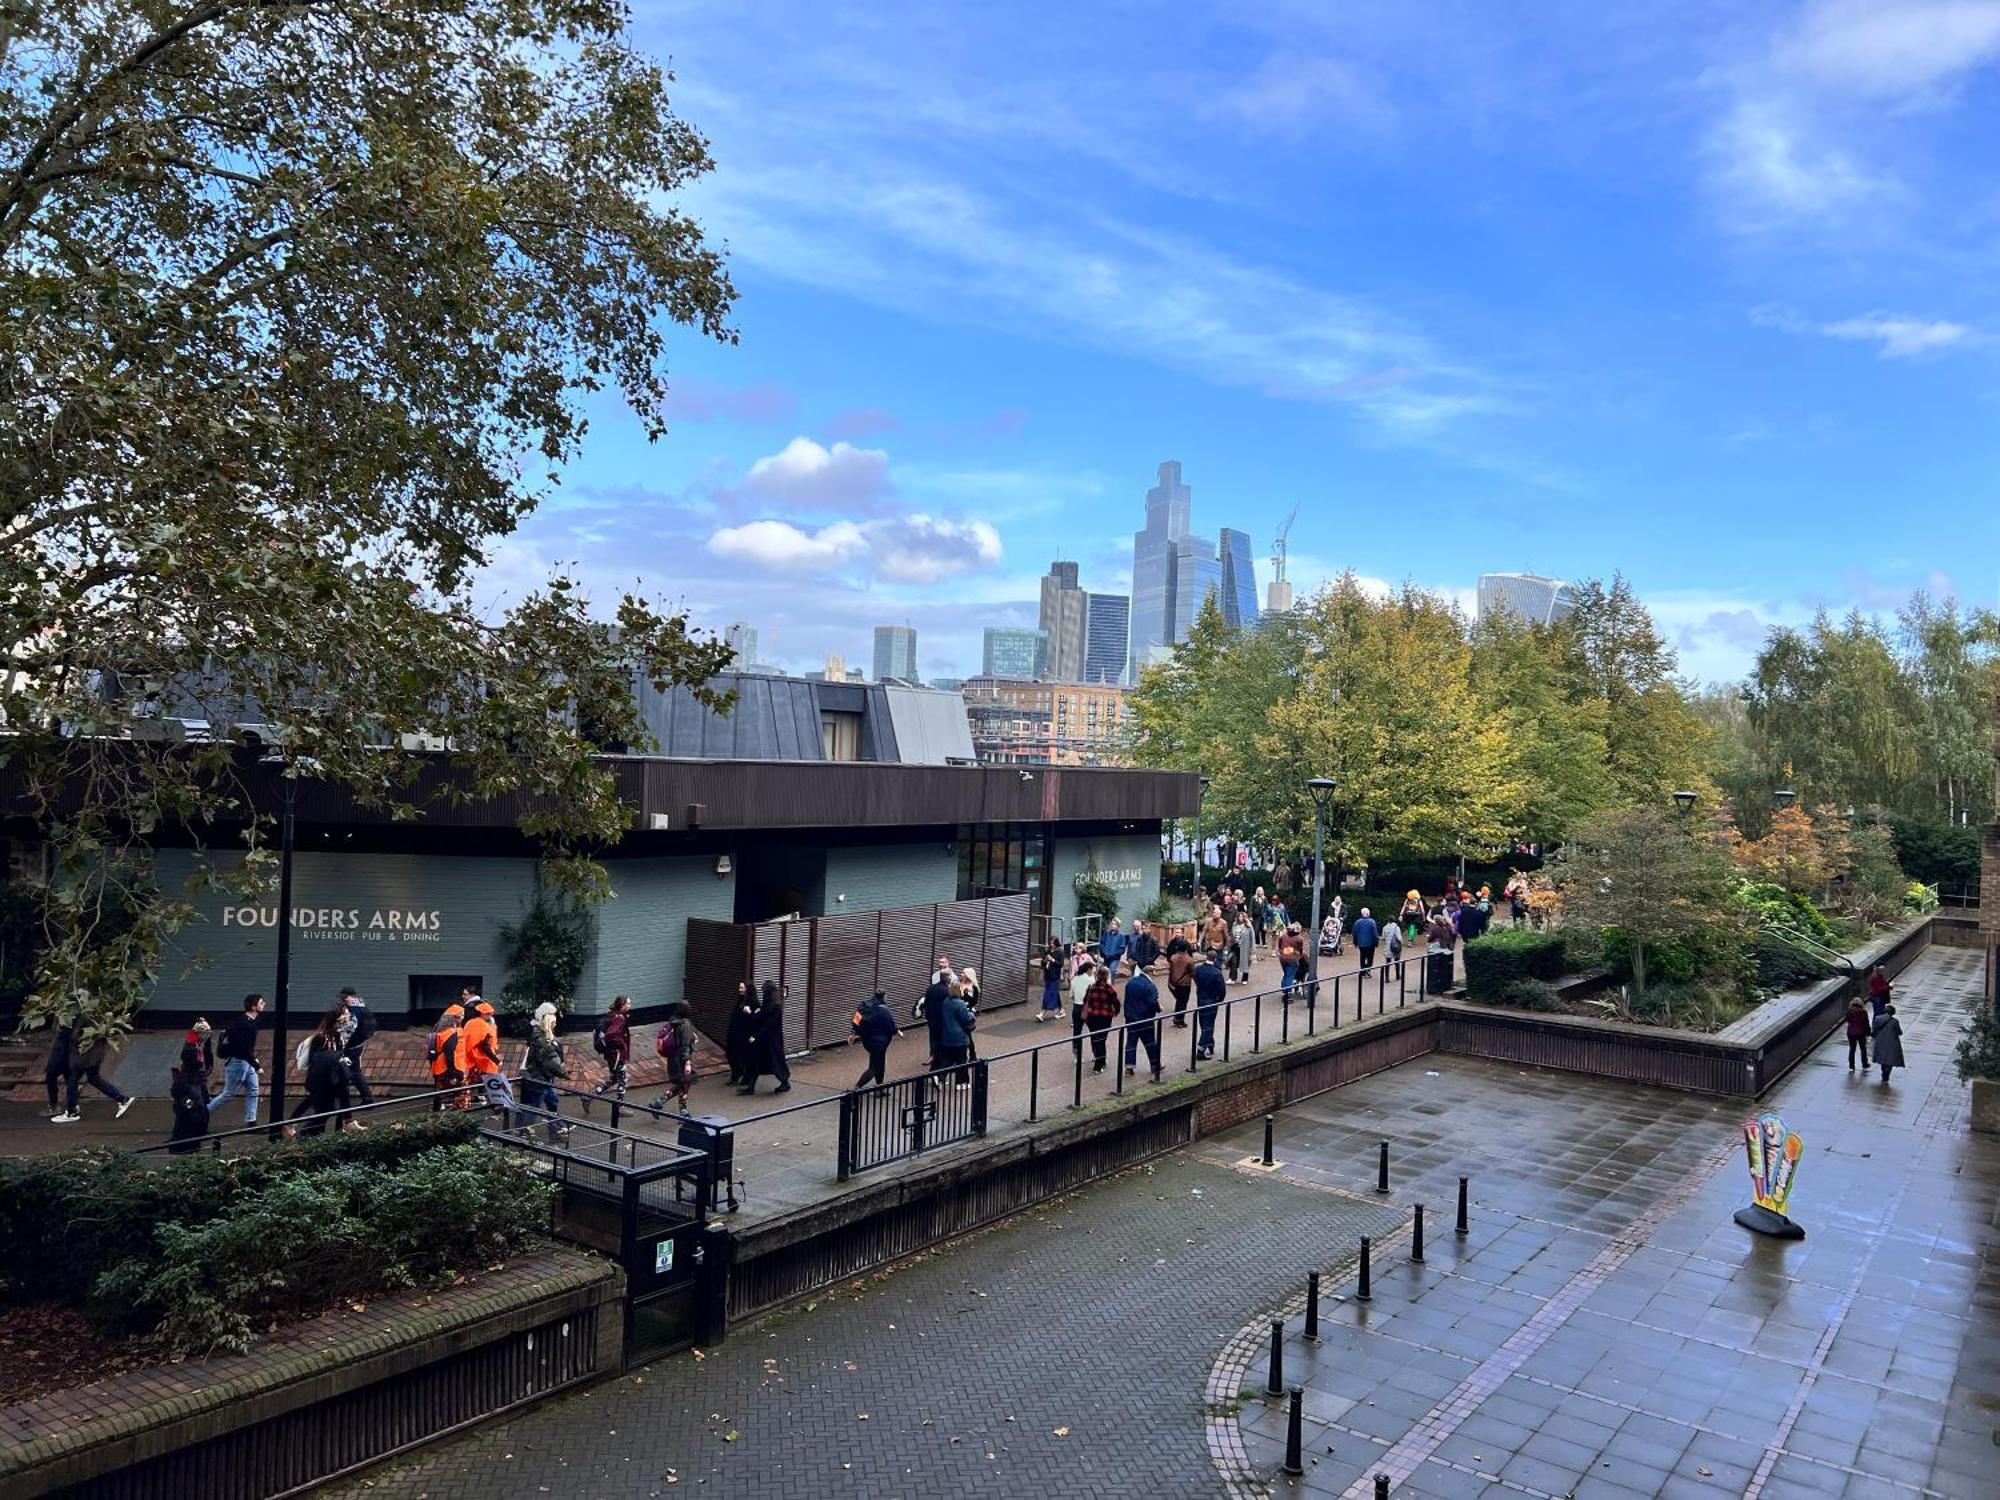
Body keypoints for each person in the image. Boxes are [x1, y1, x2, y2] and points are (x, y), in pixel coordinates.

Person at [52, 1028, 134, 1124]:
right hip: (95, 1053)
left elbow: (75, 1034)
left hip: (83, 1054)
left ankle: (71, 1112)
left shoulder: (82, 1019)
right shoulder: (98, 1021)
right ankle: (122, 1099)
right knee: (93, 1078)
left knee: (73, 1080)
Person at [208, 992, 266, 1126]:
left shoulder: (247, 1022)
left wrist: (253, 1061)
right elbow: (243, 1048)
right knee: (228, 1093)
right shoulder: (245, 1025)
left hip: (245, 1061)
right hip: (238, 1062)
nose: (264, 1004)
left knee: (253, 1089)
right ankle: (202, 1112)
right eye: (261, 1002)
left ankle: (251, 1122)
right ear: (253, 1007)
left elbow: (246, 1048)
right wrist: (257, 1066)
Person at [297, 1004, 354, 1136]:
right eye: (346, 1014)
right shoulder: (320, 1038)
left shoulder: (339, 1036)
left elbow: (339, 1054)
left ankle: (342, 1129)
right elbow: (314, 1060)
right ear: (338, 1018)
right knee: (324, 1111)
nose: (348, 1016)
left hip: (333, 1077)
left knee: (342, 1103)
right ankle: (307, 1132)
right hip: (321, 1080)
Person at [521, 1001, 569, 1139]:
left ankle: (555, 1128)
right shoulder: (540, 1038)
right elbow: (549, 1059)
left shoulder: (538, 1035)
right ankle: (527, 1131)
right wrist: (563, 1073)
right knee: (536, 1104)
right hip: (539, 1077)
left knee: (551, 1101)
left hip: (542, 1077)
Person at [461, 997, 516, 1115]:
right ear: (483, 1014)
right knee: (491, 1081)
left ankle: (463, 1105)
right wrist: (496, 1059)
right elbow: (484, 1046)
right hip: (483, 1061)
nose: (490, 1016)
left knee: (467, 1083)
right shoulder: (484, 1026)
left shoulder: (470, 1023)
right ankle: (497, 1104)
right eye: (488, 1014)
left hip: (470, 1059)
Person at [337, 986, 377, 1106]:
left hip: (350, 1045)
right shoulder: (363, 1007)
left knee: (353, 1072)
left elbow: (346, 1031)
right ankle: (366, 1097)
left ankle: (367, 1098)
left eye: (344, 998)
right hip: (359, 1043)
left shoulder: (351, 1011)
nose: (342, 1000)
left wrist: (341, 1043)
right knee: (354, 1070)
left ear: (350, 997)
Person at [1122, 964, 1163, 1081]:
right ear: (1151, 972)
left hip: (1130, 1016)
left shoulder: (1131, 982)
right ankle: (1155, 1064)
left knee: (1131, 1041)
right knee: (1150, 1041)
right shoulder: (1150, 986)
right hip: (1145, 1018)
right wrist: (1158, 1009)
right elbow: (1152, 1002)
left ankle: (1129, 1067)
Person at [851, 990, 899, 1087]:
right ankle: (856, 1088)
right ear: (884, 997)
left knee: (880, 1063)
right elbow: (891, 1027)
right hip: (879, 1043)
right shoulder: (884, 1010)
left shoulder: (865, 1006)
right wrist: (897, 1031)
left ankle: (879, 1087)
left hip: (867, 1040)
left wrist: (854, 1034)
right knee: (874, 1067)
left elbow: (856, 1020)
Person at [936, 979, 978, 1088]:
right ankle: (961, 1082)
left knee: (950, 1058)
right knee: (961, 1059)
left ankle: (940, 1075)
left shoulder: (946, 1001)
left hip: (947, 1035)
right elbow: (966, 1018)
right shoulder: (959, 1003)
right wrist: (972, 1014)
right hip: (959, 1036)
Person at [657, 1002, 698, 1115]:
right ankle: (683, 1112)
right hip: (681, 1059)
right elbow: (684, 1045)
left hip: (672, 1058)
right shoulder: (685, 1024)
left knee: (681, 1084)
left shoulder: (673, 1022)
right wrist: (687, 1062)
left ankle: (659, 1102)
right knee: (685, 1083)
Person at [751, 982, 791, 1094]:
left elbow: (768, 1024)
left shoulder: (774, 1006)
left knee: (775, 1061)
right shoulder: (770, 1003)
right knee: (760, 1062)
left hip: (772, 1041)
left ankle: (784, 1082)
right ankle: (751, 1086)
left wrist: (755, 1036)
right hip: (767, 1040)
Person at [593, 993, 632, 1104]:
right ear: (622, 1005)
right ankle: (619, 1106)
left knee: (615, 1078)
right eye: (628, 1003)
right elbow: (611, 1035)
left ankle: (591, 1096)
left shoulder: (611, 1014)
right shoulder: (619, 1018)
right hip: (617, 1054)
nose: (630, 1005)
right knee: (623, 1079)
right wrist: (622, 1045)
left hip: (610, 1054)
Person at [1081, 965, 1120, 1073]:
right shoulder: (1110, 989)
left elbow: (1085, 1000)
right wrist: (1115, 1012)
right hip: (1105, 1017)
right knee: (1102, 1039)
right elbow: (1116, 1003)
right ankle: (1099, 1064)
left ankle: (1097, 1055)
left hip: (1092, 1016)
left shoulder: (1092, 987)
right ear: (1107, 976)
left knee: (1094, 1037)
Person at [428, 1000, 465, 1109]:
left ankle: (437, 1109)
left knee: (440, 1091)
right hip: (447, 1068)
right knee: (449, 1095)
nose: (463, 1017)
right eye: (461, 1015)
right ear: (455, 1018)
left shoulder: (438, 1030)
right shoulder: (451, 1033)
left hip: (437, 1066)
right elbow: (449, 1054)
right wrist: (454, 1073)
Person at [1193, 948, 1226, 1059]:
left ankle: (1210, 1043)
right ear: (1215, 959)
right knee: (1209, 1025)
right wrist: (1219, 1000)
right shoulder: (1217, 973)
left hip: (1201, 999)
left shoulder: (1198, 969)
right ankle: (1201, 1049)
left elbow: (1196, 979)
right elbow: (1222, 990)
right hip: (1212, 1001)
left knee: (1203, 1023)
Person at [725, 981, 759, 1086]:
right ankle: (737, 1072)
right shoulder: (740, 999)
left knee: (740, 1055)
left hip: (744, 1034)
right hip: (734, 1032)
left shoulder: (753, 1001)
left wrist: (749, 1013)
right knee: (731, 1053)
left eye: (742, 988)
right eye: (739, 987)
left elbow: (757, 1019)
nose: (740, 990)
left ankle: (740, 1075)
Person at [1069, 952, 1095, 1059]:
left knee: (1077, 1032)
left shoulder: (1074, 979)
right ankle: (1095, 1053)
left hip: (1076, 1007)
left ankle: (1077, 1055)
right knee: (1093, 1031)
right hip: (1087, 1008)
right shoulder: (1091, 981)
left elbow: (1071, 995)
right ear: (1088, 970)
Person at [1872, 1002, 1905, 1084]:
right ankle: (1886, 1075)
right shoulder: (1895, 1021)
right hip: (1892, 1042)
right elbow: (1899, 1032)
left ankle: (1884, 1073)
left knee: (1882, 1057)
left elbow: (1874, 1029)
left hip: (1880, 1041)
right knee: (1889, 1059)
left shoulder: (1877, 1018)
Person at [1166, 938, 1196, 1028]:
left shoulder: (1173, 958)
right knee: (1183, 1002)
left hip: (1174, 983)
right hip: (1185, 984)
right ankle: (1180, 1020)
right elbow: (1192, 972)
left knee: (1179, 1001)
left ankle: (1177, 1017)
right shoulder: (1189, 960)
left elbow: (1171, 970)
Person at [1275, 923, 1305, 996]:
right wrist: (1300, 955)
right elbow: (1300, 949)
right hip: (1293, 959)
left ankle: (1283, 988)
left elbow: (1279, 945)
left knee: (1286, 973)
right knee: (1290, 975)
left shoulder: (1283, 936)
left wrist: (1281, 951)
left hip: (1282, 958)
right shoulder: (1299, 938)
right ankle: (1287, 992)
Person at [1038, 941, 1065, 1021]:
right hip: (1048, 975)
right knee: (1054, 993)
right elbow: (1042, 963)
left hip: (1055, 976)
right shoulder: (1048, 951)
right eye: (1050, 943)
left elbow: (1060, 964)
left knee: (1048, 994)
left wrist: (1052, 960)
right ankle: (1061, 1010)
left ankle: (1042, 1013)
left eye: (1053, 943)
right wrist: (1044, 961)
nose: (1051, 945)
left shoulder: (1060, 952)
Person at [1844, 997, 1871, 1073]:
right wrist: (1868, 1033)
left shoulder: (1849, 1012)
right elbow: (1866, 1023)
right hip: (1861, 1032)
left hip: (1851, 1032)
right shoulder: (1863, 1012)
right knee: (1863, 1049)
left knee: (1852, 1049)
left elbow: (1847, 1020)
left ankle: (1851, 1065)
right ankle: (1864, 1063)